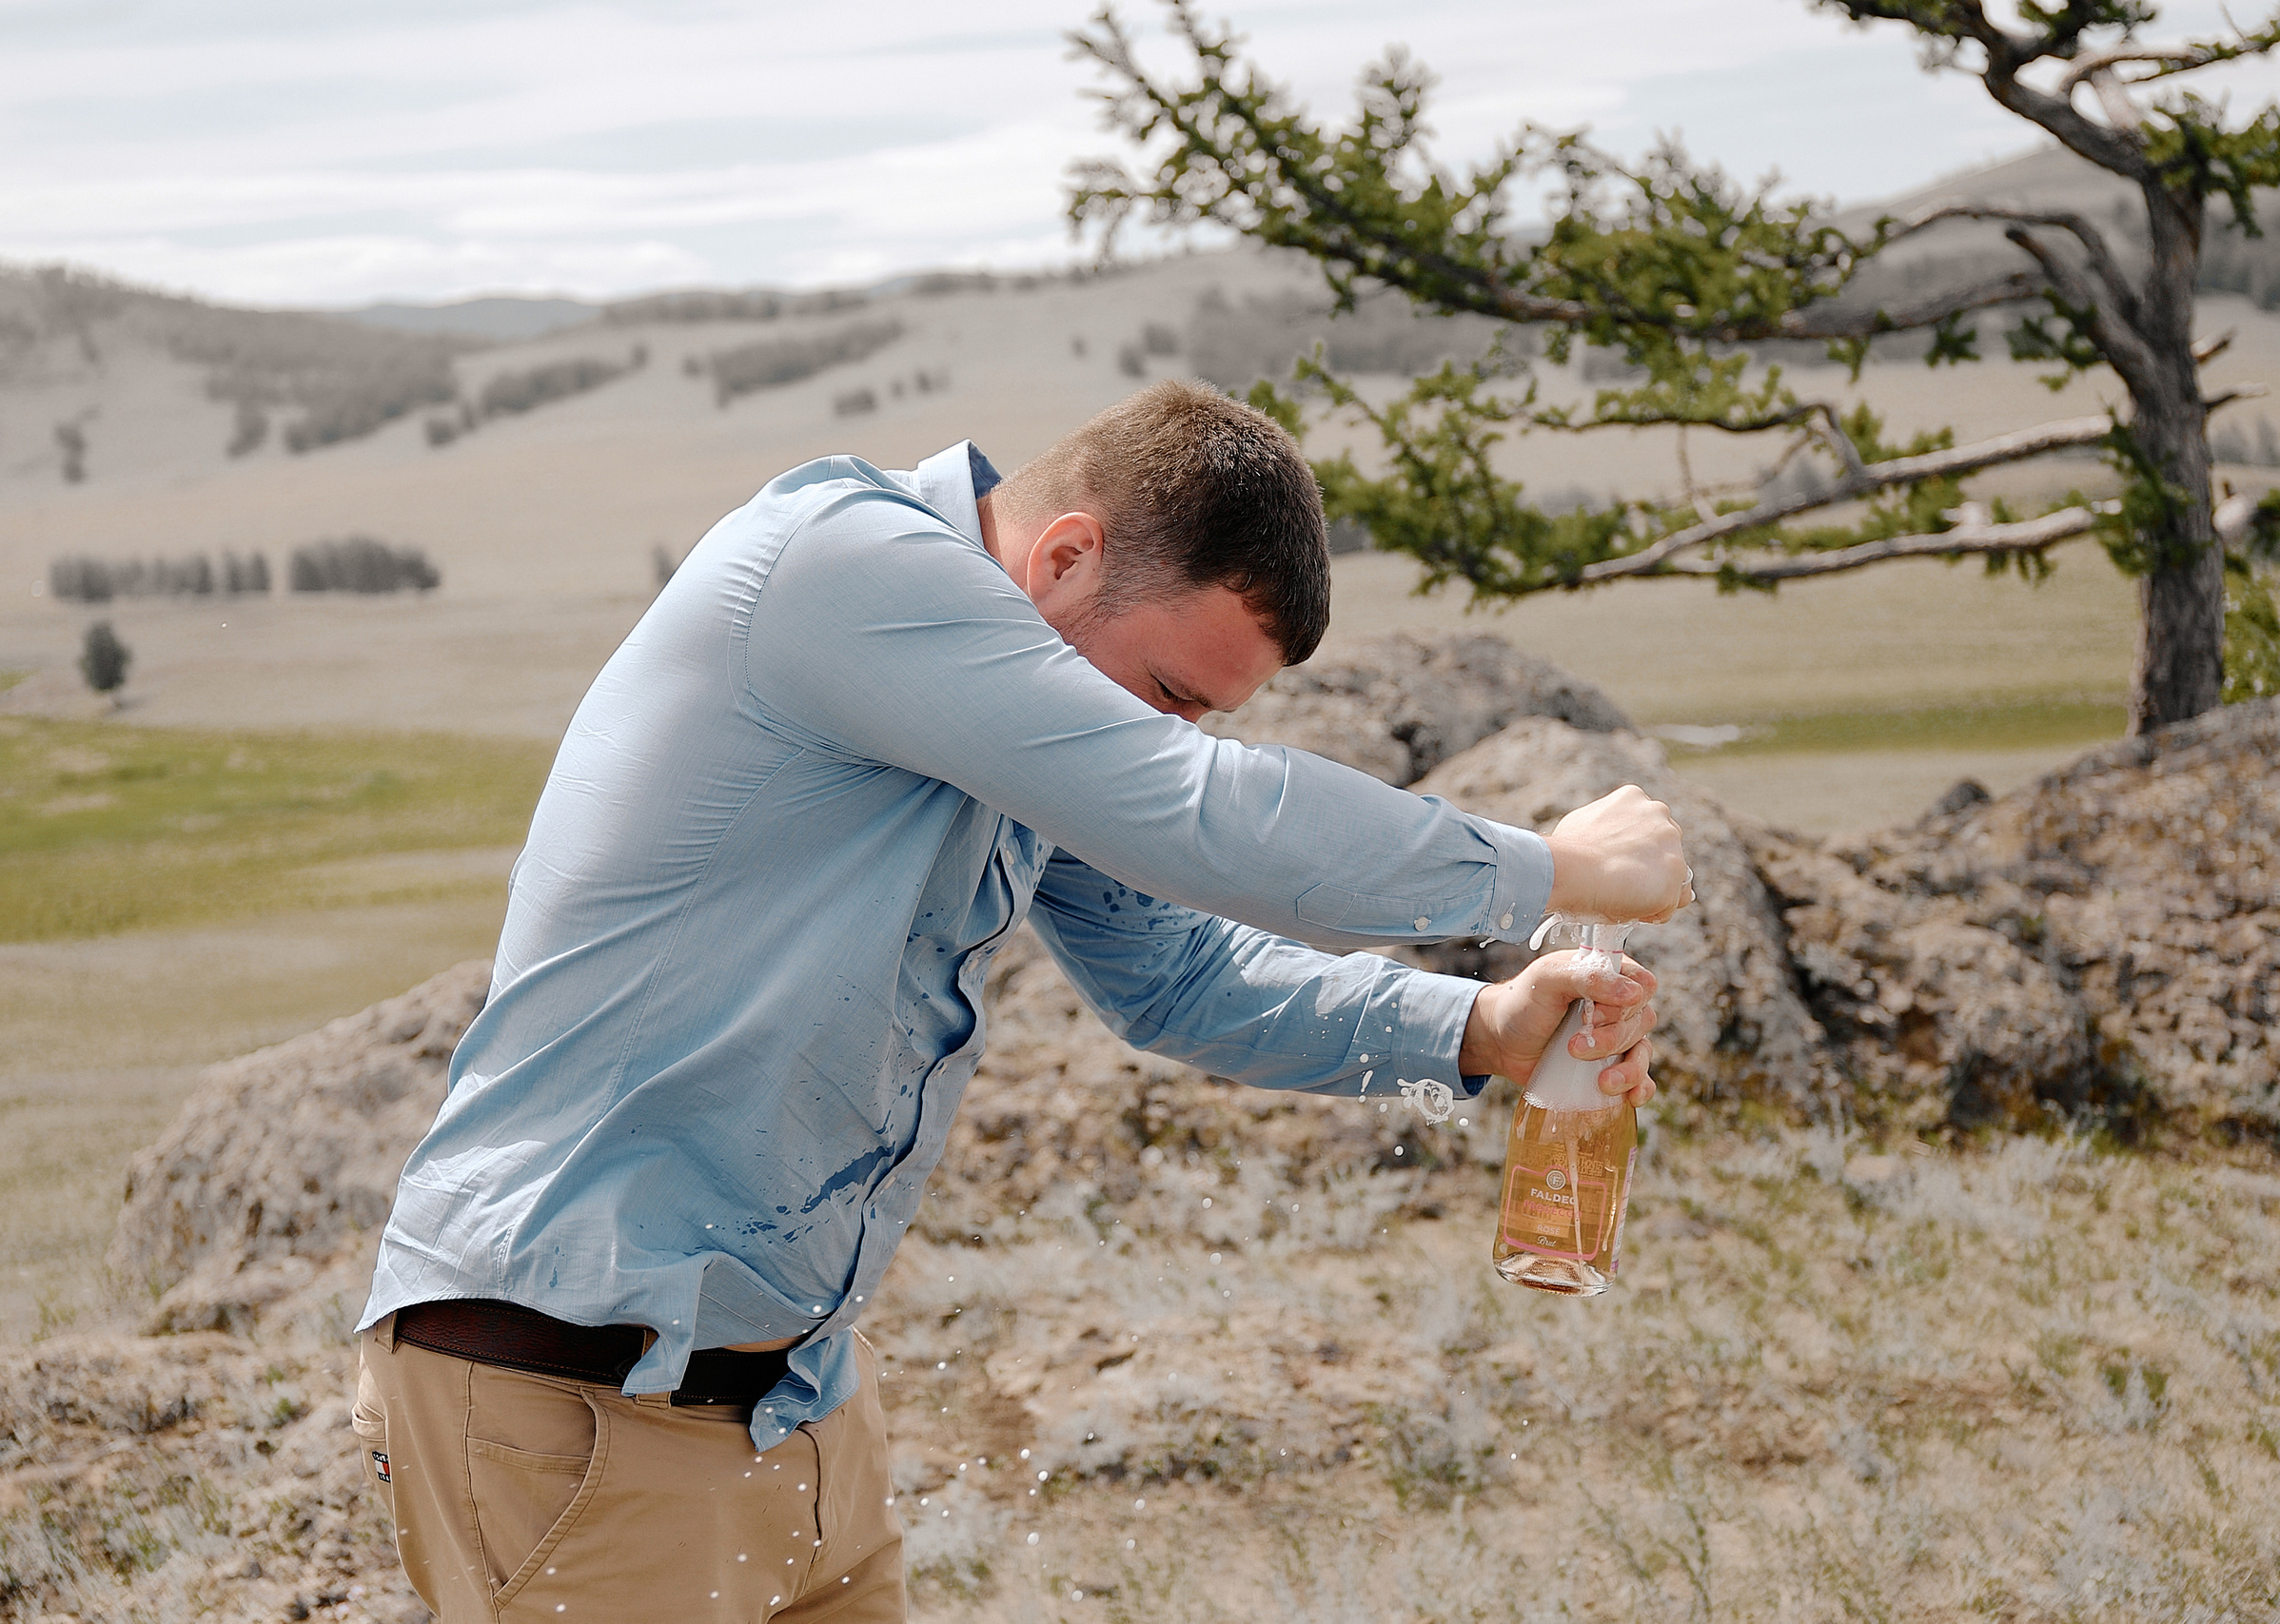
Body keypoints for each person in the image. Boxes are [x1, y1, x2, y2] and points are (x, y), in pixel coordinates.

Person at [351, 380, 1688, 1623]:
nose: (1165, 742)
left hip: (793, 1404)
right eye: (1169, 697)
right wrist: (1548, 868)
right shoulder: (846, 565)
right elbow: (1201, 819)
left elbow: (1176, 975)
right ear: (1064, 560)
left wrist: (1471, 1030)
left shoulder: (1002, 715)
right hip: (572, 1397)